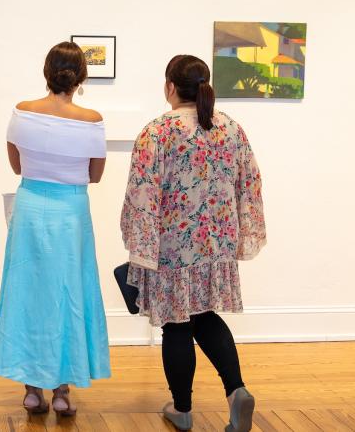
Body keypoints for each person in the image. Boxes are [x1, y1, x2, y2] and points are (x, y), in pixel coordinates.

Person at [120, 55, 266, 432]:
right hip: (215, 246)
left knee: (177, 325)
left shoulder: (157, 131)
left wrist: (139, 244)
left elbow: (142, 195)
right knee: (205, 317)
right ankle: (236, 391)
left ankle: (182, 410)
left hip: (172, 249)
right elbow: (249, 183)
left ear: (170, 86)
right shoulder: (230, 128)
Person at [0, 41, 110, 417]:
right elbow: (94, 175)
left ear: (47, 72)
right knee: (68, 294)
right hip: (70, 212)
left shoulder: (23, 112)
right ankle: (61, 392)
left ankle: (31, 390)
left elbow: (16, 165)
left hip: (30, 208)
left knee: (29, 292)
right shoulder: (91, 120)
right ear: (81, 78)